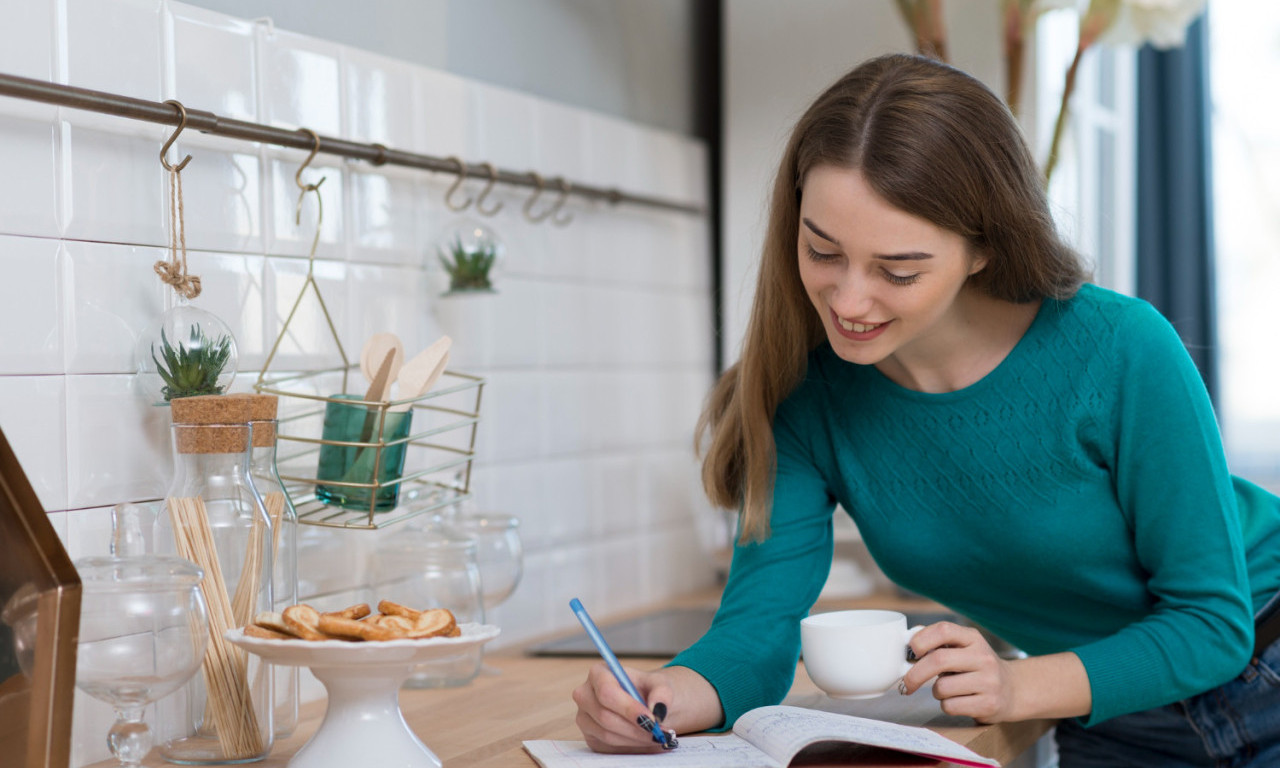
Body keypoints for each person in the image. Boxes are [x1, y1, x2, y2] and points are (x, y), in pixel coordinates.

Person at [571, 52, 1280, 766]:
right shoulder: (806, 401)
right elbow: (757, 629)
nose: (849, 301)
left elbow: (1211, 623)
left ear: (983, 248)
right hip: (1110, 709)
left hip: (1263, 655)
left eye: (897, 270)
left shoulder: (1120, 348)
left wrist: (1016, 684)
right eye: (823, 252)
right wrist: (663, 698)